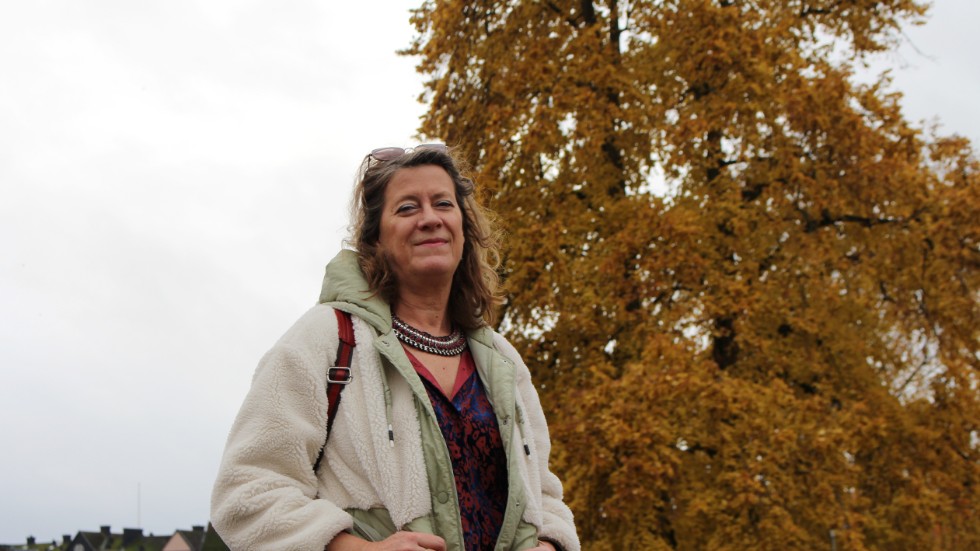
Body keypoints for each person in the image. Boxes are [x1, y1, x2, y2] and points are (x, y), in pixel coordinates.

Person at [211, 145, 579, 551]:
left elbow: (545, 496)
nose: (430, 218)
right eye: (407, 208)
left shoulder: (502, 360)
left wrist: (550, 545)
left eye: (443, 203)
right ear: (375, 239)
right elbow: (247, 491)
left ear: (464, 229)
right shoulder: (327, 338)